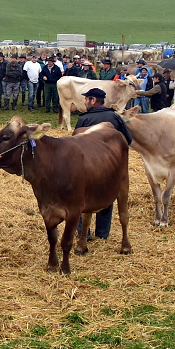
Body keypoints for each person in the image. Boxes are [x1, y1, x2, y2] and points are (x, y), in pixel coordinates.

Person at [73, 88, 133, 240]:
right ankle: (102, 234)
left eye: (86, 99)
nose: (85, 102)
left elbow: (74, 144)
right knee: (107, 195)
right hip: (109, 164)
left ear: (93, 100)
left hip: (87, 165)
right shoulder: (114, 117)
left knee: (82, 198)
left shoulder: (84, 120)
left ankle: (83, 233)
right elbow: (128, 140)